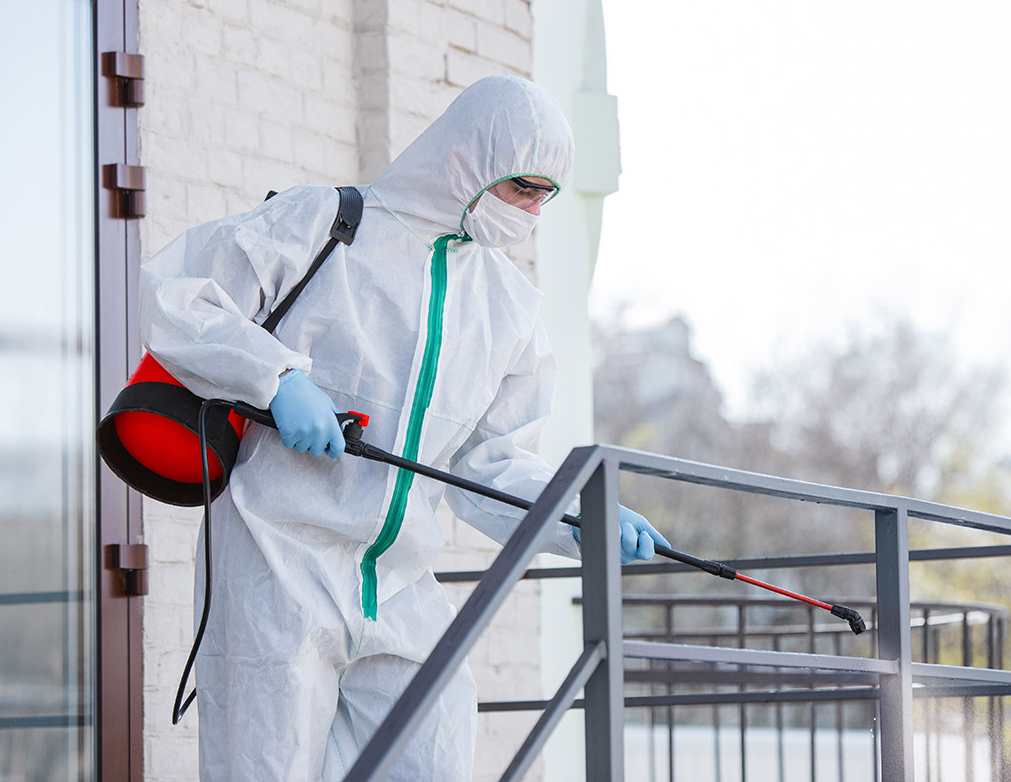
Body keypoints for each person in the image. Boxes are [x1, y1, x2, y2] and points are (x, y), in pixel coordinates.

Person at [138, 75, 668, 782]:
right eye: (520, 188)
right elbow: (173, 295)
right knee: (265, 769)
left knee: (434, 753)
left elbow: (488, 462)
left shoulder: (509, 309)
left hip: (399, 581)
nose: (532, 210)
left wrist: (577, 513)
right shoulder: (326, 224)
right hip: (275, 560)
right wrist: (278, 378)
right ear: (466, 162)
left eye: (546, 195)